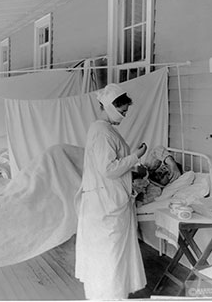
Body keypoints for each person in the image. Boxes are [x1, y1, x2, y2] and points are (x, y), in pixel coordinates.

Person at [75, 83, 147, 300]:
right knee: (109, 255)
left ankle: (112, 295)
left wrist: (132, 171)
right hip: (105, 204)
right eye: (123, 112)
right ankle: (109, 297)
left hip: (106, 199)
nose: (125, 116)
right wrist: (136, 155)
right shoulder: (102, 131)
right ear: (112, 108)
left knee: (110, 255)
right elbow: (108, 169)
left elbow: (110, 166)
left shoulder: (104, 130)